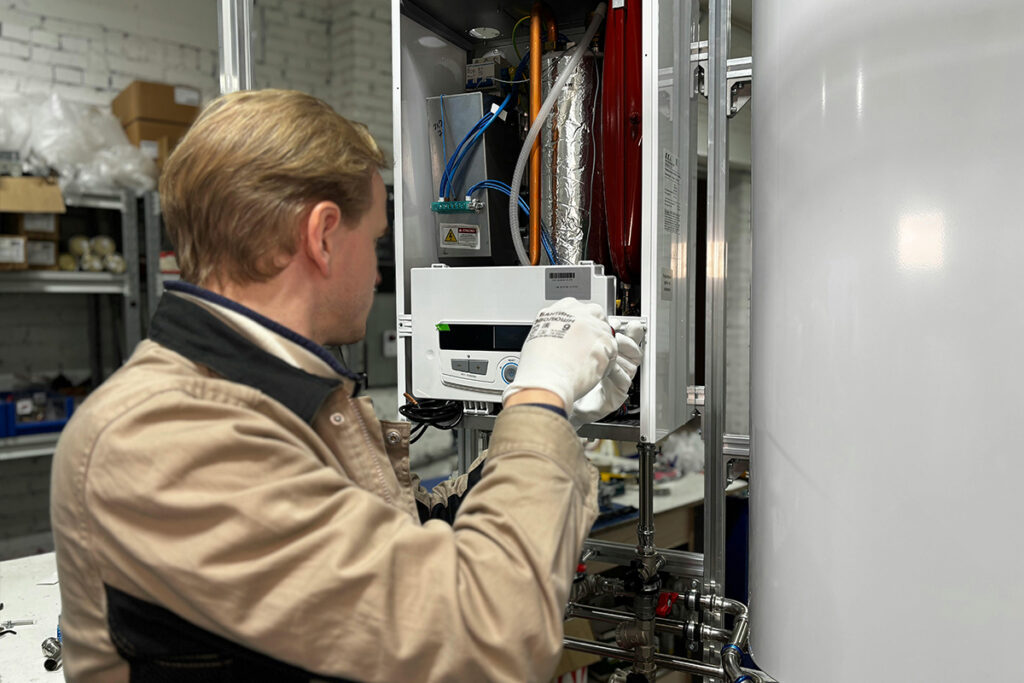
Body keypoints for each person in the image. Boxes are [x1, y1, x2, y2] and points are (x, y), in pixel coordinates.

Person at [51, 89, 643, 683]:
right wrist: (537, 397)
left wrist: (561, 415)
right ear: (324, 235)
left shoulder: (283, 393)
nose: (379, 270)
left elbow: (405, 531)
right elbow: (484, 633)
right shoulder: (164, 434)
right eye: (376, 240)